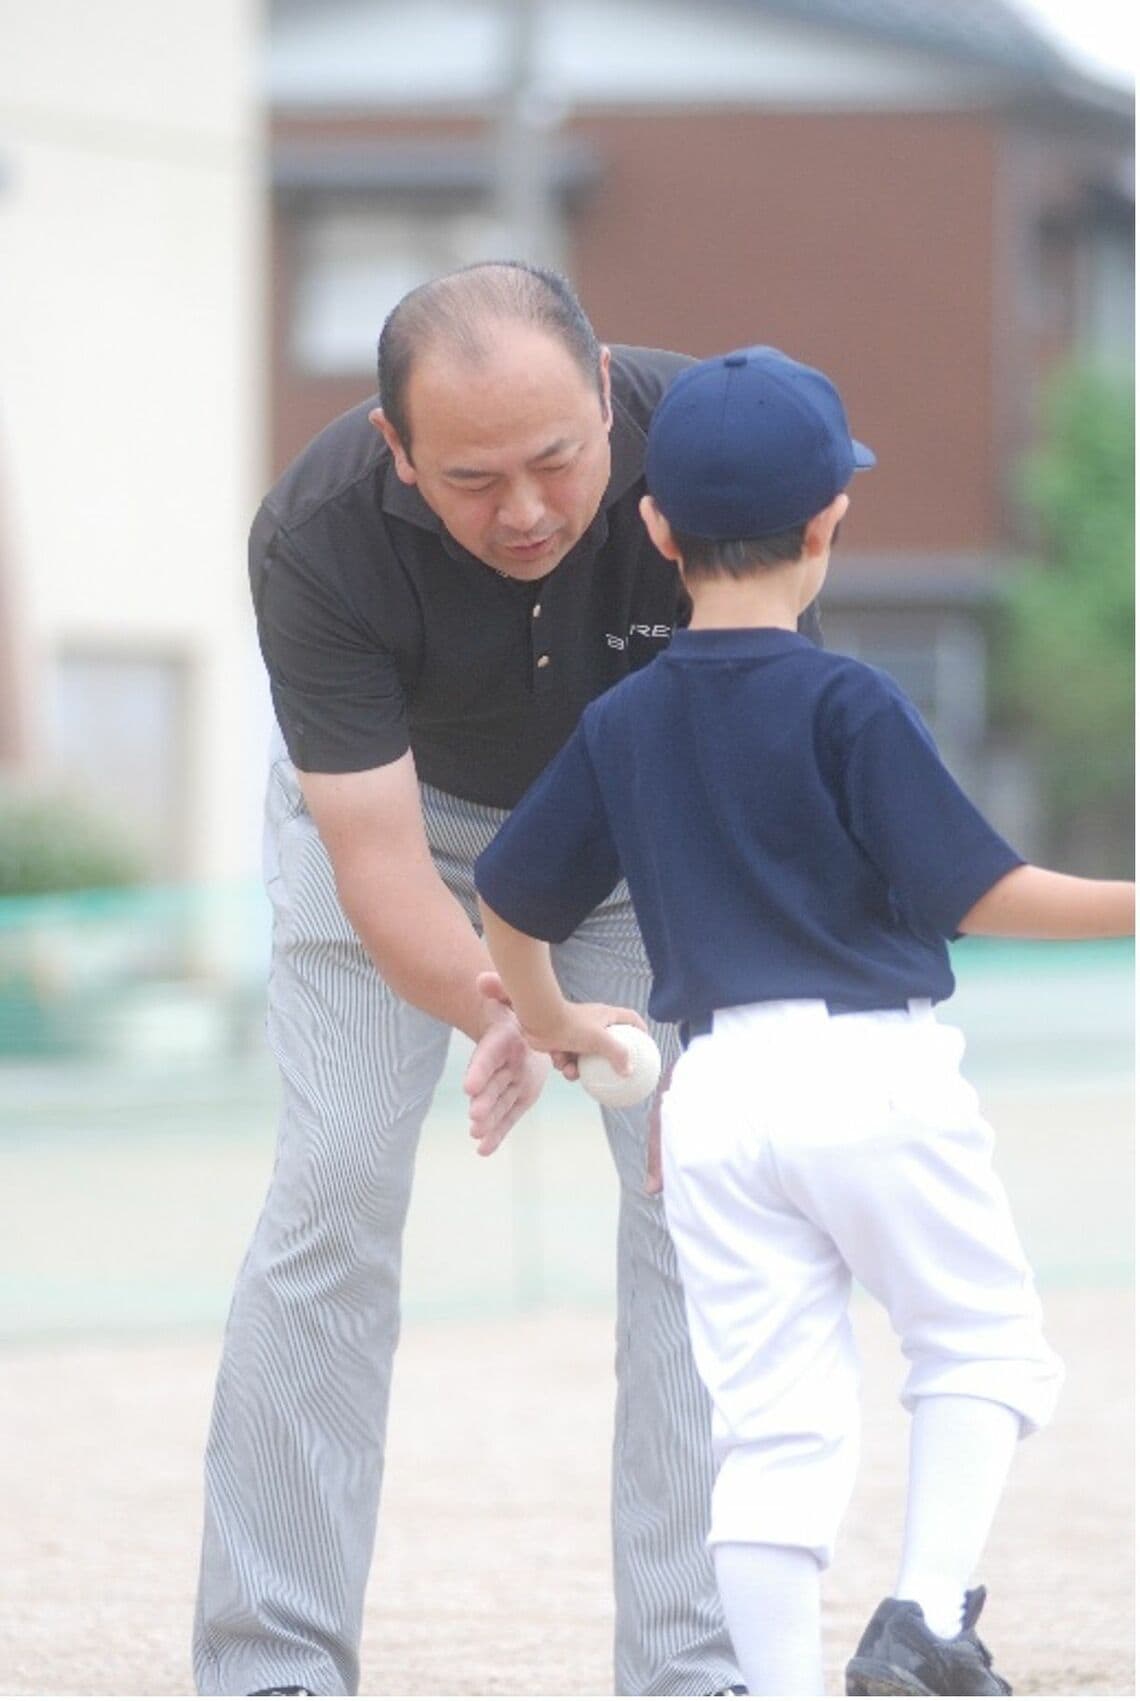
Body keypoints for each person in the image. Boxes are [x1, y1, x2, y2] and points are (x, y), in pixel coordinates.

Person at [190, 262, 834, 1697]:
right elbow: (369, 851)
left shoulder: (716, 450)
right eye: (474, 478)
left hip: (645, 836)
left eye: (558, 459)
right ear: (396, 449)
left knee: (700, 1197)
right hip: (412, 835)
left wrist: (719, 1028)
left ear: (609, 394)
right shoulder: (319, 535)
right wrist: (508, 1008)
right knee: (334, 1187)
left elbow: (763, 768)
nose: (529, 508)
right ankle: (271, 1664)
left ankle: (697, 1665)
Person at [472, 345, 1135, 1696]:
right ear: (832, 520)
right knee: (982, 1342)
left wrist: (561, 1027)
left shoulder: (625, 719)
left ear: (655, 528)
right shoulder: (850, 697)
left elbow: (511, 896)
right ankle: (926, 1616)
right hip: (870, 1070)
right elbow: (981, 893)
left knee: (769, 1429)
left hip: (708, 1097)